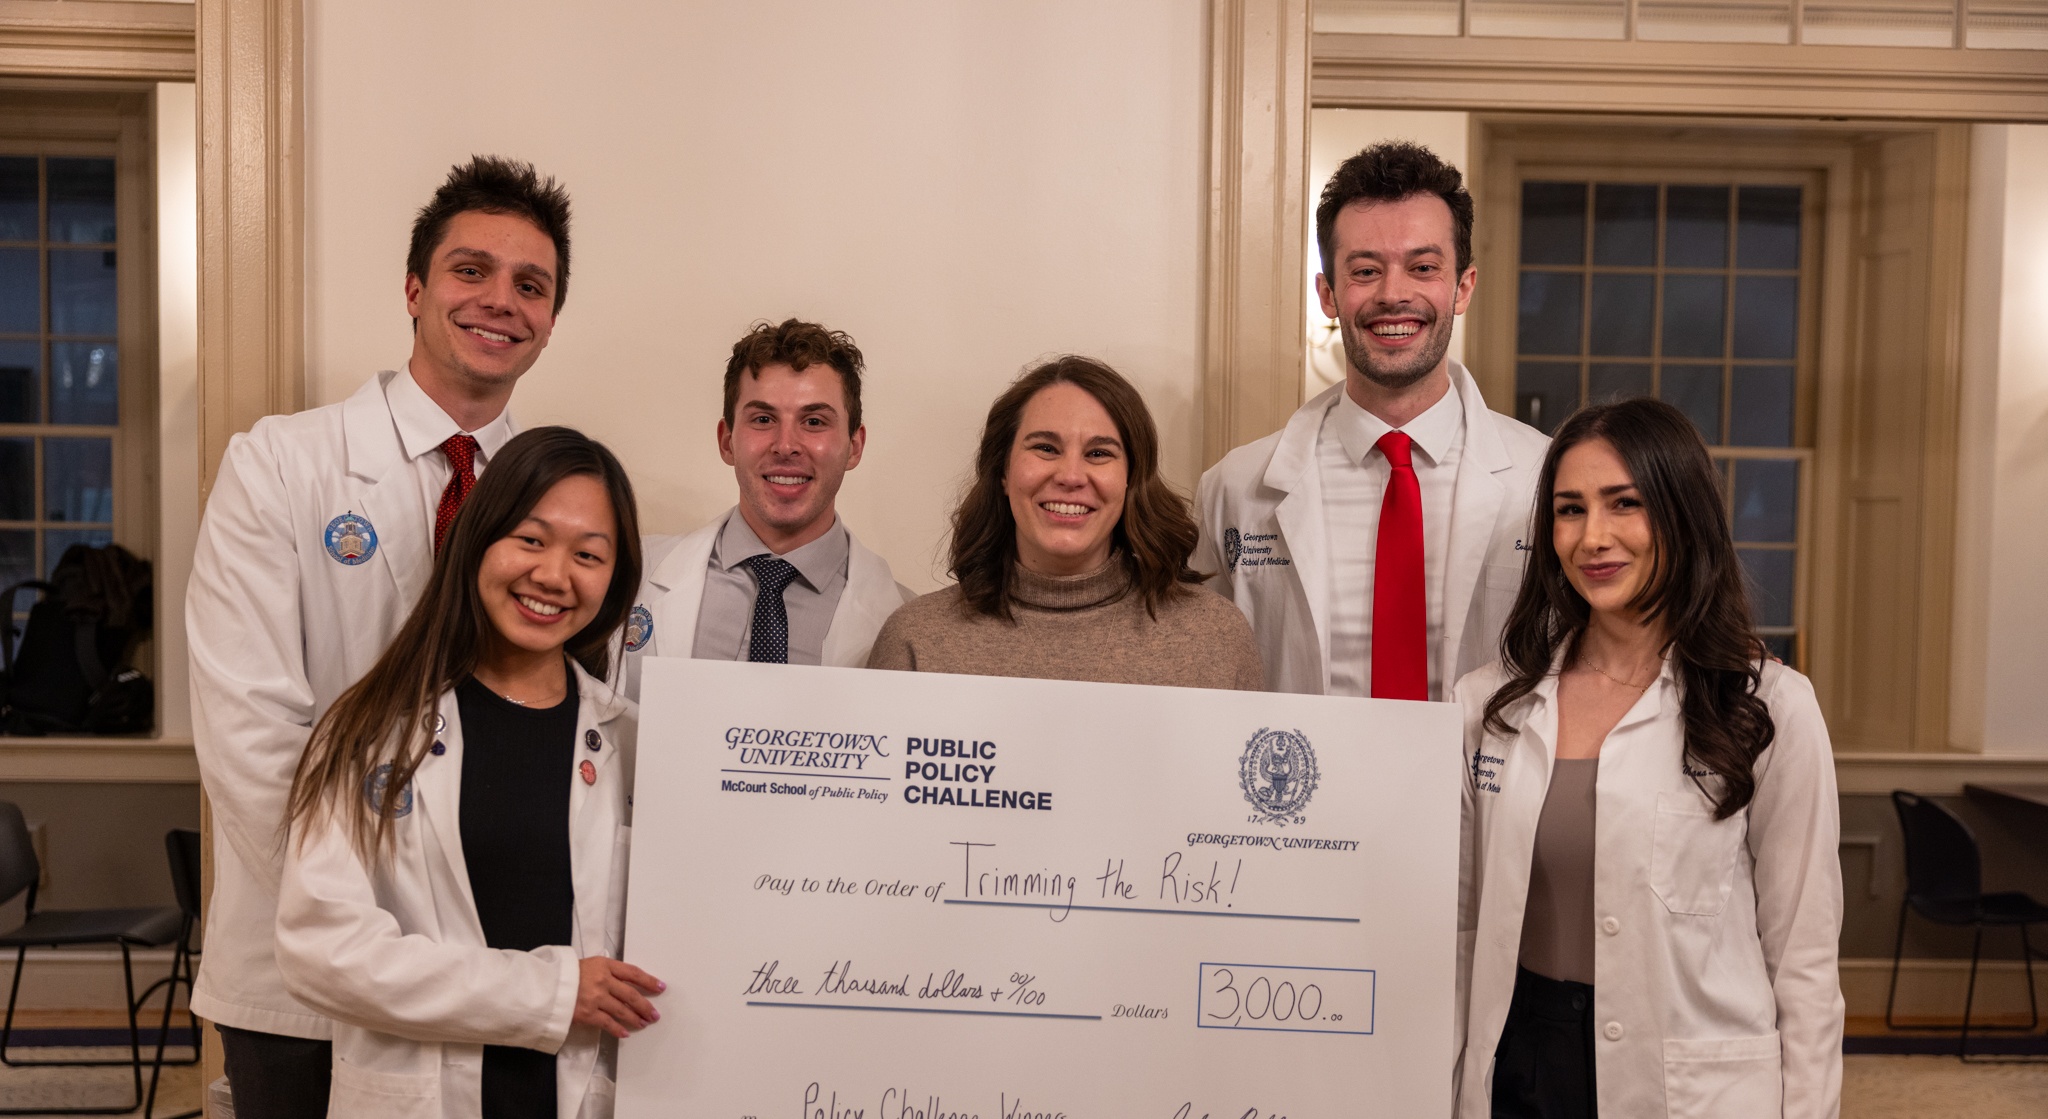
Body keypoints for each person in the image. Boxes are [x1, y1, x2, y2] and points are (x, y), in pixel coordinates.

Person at [187, 156, 571, 1117]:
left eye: (532, 285)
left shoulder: (559, 496)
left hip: (493, 960)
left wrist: (457, 948)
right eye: (470, 270)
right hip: (305, 972)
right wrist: (371, 931)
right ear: (414, 287)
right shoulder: (280, 464)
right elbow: (249, 737)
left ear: (552, 318)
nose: (500, 301)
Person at [1451, 399, 1842, 1118]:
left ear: (1681, 514)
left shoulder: (1771, 707)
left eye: (1624, 503)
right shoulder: (1489, 706)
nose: (1592, 537)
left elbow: (1805, 960)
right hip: (1521, 1066)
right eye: (1570, 510)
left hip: (1695, 1079)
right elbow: (1462, 930)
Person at [275, 426, 660, 1119]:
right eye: (531, 539)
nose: (553, 575)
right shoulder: (372, 728)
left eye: (589, 555)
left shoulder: (636, 744)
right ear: (477, 539)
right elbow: (321, 948)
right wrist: (548, 993)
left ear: (616, 578)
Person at [1194, 141, 1549, 699]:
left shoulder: (1545, 479)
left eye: (1423, 267)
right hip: (1304, 784)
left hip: (1479, 787)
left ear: (1462, 287)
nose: (1394, 294)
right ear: (1328, 294)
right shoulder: (1234, 490)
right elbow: (1200, 675)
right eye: (1365, 270)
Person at [868, 356, 1262, 689]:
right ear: (1003, 471)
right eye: (1045, 448)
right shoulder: (916, 641)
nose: (1071, 475)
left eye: (1098, 453)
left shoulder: (1216, 638)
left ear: (1131, 479)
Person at [621, 319, 909, 695]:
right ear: (727, 442)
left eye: (814, 421)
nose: (786, 444)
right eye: (763, 419)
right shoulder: (628, 576)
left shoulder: (906, 623)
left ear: (854, 446)